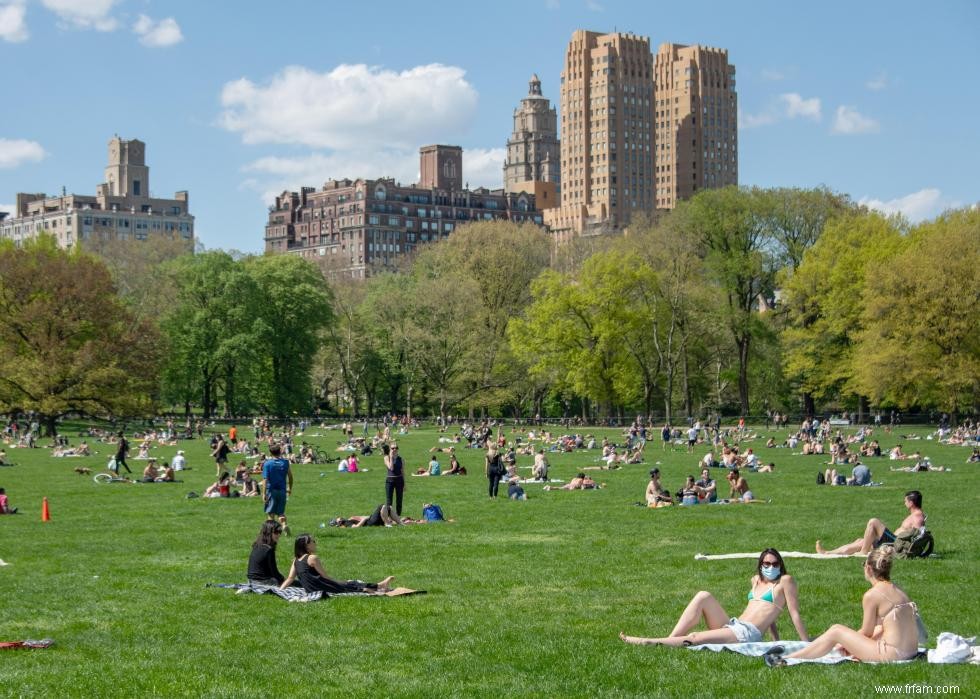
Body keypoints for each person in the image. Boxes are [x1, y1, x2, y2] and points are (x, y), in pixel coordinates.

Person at [620, 549, 809, 647]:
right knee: (703, 595)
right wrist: (775, 640)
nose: (771, 566)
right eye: (766, 563)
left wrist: (806, 643)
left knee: (695, 638)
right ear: (760, 564)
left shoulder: (785, 581)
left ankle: (650, 642)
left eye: (775, 563)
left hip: (746, 634)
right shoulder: (756, 580)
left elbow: (794, 614)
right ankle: (669, 640)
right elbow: (768, 614)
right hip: (734, 625)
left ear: (780, 564)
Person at [767, 547, 921, 665]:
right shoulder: (898, 589)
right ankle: (809, 650)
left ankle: (788, 659)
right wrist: (851, 644)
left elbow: (866, 632)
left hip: (892, 654)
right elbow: (883, 628)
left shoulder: (872, 595)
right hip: (910, 651)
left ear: (868, 568)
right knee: (843, 636)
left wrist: (845, 642)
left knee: (836, 630)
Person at [816, 491, 925, 555]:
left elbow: (918, 537)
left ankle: (863, 552)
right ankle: (828, 553)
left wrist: (902, 550)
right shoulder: (915, 514)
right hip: (894, 541)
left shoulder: (917, 517)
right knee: (860, 541)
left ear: (911, 503)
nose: (904, 503)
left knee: (873, 522)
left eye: (906, 501)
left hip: (896, 544)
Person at [280, 534, 395, 594]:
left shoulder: (295, 560)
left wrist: (280, 590)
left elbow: (290, 578)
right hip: (322, 587)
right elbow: (325, 578)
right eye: (313, 541)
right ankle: (377, 587)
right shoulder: (312, 558)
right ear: (306, 545)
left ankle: (378, 586)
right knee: (350, 584)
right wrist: (340, 583)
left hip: (311, 589)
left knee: (349, 583)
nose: (315, 543)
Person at [247, 520, 286, 586]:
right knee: (294, 583)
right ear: (268, 532)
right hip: (263, 582)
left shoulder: (257, 545)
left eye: (280, 532)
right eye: (276, 532)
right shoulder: (269, 549)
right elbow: (274, 572)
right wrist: (284, 580)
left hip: (251, 581)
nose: (278, 534)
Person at [261, 444, 293, 522]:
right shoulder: (285, 462)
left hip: (271, 491)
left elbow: (265, 480)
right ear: (280, 452)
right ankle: (284, 525)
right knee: (281, 512)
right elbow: (290, 476)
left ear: (270, 453)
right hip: (282, 490)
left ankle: (271, 531)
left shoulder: (267, 464)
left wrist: (264, 493)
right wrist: (290, 488)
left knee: (270, 513)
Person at [384, 443, 405, 516]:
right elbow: (391, 468)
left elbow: (403, 472)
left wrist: (404, 484)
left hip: (399, 480)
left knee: (399, 499)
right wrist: (391, 457)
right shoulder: (386, 458)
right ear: (390, 449)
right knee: (389, 500)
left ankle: (398, 516)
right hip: (390, 481)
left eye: (396, 448)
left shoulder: (401, 459)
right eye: (392, 448)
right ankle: (389, 517)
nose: (394, 449)